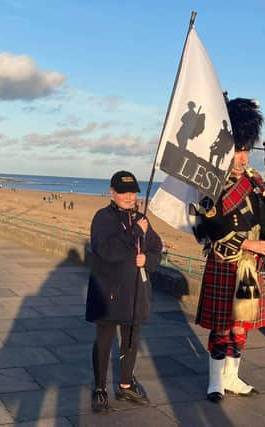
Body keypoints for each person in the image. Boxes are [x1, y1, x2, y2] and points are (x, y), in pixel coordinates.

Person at [193, 97, 265, 403]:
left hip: (251, 266)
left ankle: (232, 377)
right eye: (239, 150)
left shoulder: (256, 181)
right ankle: (215, 382)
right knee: (222, 327)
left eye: (246, 150)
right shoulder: (212, 183)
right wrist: (248, 243)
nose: (244, 157)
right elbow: (208, 229)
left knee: (240, 326)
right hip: (226, 261)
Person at [85, 171, 163, 413]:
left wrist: (147, 260)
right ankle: (100, 389)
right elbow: (105, 250)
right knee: (105, 341)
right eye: (124, 192)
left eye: (133, 192)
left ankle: (126, 384)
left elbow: (157, 249)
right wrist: (134, 233)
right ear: (112, 192)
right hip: (108, 291)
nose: (130, 196)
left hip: (136, 291)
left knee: (130, 341)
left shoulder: (141, 219)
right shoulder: (102, 218)